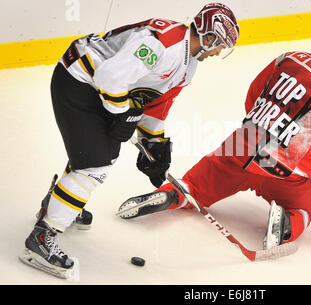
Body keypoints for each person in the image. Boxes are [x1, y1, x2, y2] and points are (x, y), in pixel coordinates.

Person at [19, 3, 240, 279]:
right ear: (208, 37)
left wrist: (155, 145)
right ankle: (41, 238)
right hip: (77, 80)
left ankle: (56, 203)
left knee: (95, 155)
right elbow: (109, 77)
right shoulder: (164, 44)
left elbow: (155, 105)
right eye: (220, 45)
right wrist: (123, 115)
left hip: (97, 91)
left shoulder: (188, 65)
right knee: (95, 164)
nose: (219, 52)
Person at [118, 26, 311, 252]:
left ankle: (173, 194)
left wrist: (261, 129)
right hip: (284, 171)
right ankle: (285, 224)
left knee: (195, 185)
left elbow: (254, 95)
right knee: (305, 208)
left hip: (241, 147)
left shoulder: (290, 58)